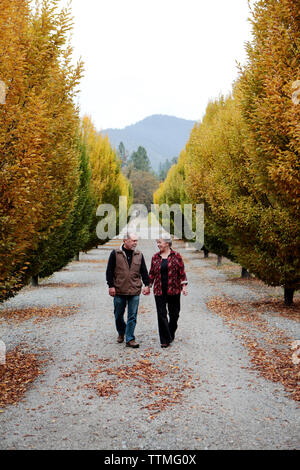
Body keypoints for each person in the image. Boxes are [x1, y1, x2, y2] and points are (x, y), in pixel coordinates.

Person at [106, 232, 150, 348]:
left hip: (134, 290)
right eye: (133, 240)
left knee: (132, 316)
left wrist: (147, 284)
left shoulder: (139, 254)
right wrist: (111, 286)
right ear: (125, 240)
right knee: (118, 314)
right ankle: (121, 332)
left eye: (136, 241)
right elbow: (109, 271)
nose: (135, 243)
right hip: (119, 290)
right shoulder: (115, 253)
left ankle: (130, 338)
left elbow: (144, 271)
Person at [149, 236, 187, 348]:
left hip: (174, 290)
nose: (158, 244)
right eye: (157, 242)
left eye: (159, 242)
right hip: (159, 290)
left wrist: (184, 286)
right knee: (161, 315)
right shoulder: (155, 257)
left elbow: (182, 272)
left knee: (174, 315)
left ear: (167, 243)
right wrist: (148, 286)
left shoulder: (176, 256)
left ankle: (170, 333)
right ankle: (165, 340)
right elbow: (151, 273)